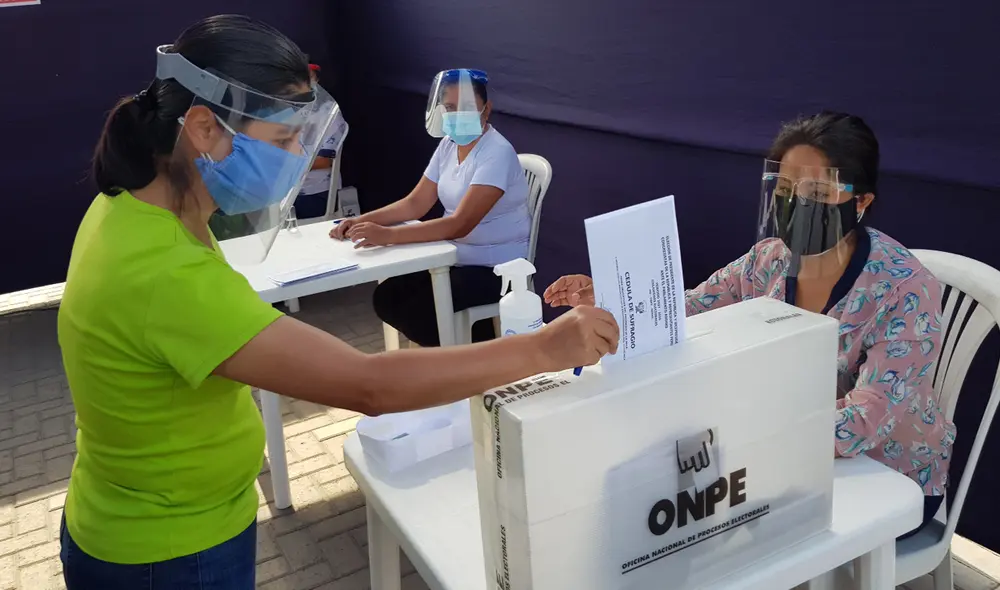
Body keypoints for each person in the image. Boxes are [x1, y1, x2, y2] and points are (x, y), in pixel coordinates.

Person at [58, 16, 618, 589]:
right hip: (167, 551)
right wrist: (547, 346)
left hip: (164, 518)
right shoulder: (164, 271)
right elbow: (366, 385)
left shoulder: (132, 208)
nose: (299, 153)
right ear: (203, 128)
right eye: (282, 139)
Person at [543, 112, 955, 538]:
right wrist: (611, 299)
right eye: (785, 189)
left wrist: (750, 436)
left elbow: (867, 420)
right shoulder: (769, 260)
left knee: (726, 528)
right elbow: (689, 309)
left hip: (886, 475)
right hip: (781, 448)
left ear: (861, 202)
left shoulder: (904, 290)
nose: (797, 205)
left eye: (817, 191)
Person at [330, 69, 531, 346]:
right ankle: (465, 351)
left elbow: (460, 225)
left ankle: (471, 361)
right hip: (453, 257)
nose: (456, 114)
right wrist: (363, 220)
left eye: (466, 107)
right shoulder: (448, 145)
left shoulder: (497, 152)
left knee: (420, 309)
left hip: (497, 269)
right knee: (388, 297)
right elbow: (416, 203)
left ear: (487, 109)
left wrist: (388, 236)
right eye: (449, 107)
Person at [294, 63, 347, 220]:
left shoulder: (328, 112)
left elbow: (324, 161)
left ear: (315, 79)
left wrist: (282, 165)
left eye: (308, 76)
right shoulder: (284, 110)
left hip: (315, 192)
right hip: (283, 191)